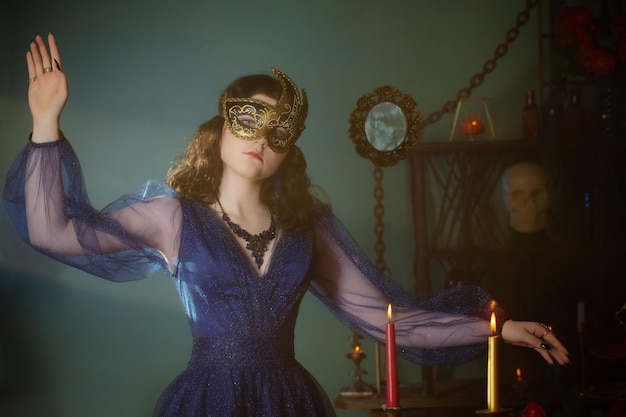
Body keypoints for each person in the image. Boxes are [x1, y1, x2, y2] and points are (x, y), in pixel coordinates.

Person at [3, 33, 569, 417]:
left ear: (290, 147)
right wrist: (45, 121)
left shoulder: (308, 228)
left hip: (289, 401)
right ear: (220, 128)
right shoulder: (171, 217)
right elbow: (52, 229)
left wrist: (497, 328)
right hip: (206, 401)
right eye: (248, 119)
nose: (259, 139)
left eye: (278, 130)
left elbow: (389, 320)